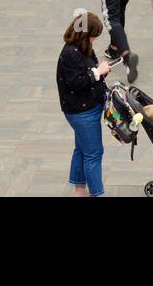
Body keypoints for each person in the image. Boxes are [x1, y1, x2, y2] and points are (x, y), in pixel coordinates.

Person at [57, 10, 113, 197]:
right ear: (85, 34)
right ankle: (97, 194)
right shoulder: (70, 53)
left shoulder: (81, 47)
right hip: (82, 112)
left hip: (86, 107)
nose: (95, 40)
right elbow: (76, 82)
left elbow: (89, 72)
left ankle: (79, 189)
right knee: (94, 153)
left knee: (82, 149)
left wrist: (101, 71)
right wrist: (97, 72)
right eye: (94, 36)